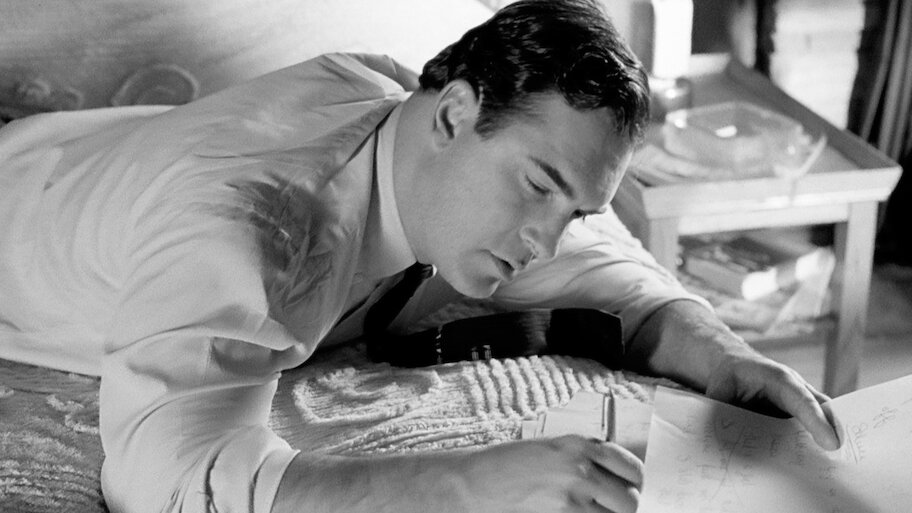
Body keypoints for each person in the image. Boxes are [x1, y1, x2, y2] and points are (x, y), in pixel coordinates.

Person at [0, 1, 839, 512]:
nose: (545, 238)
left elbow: (606, 274)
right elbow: (167, 478)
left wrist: (722, 352)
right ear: (452, 115)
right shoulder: (249, 228)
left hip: (96, 155)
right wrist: (469, 484)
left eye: (576, 208)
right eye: (539, 186)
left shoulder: (422, 141)